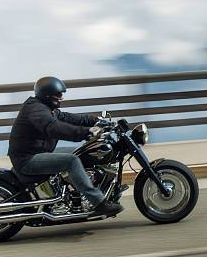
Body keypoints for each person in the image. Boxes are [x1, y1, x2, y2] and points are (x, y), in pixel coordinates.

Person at [7, 76, 123, 216]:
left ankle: (75, 191)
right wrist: (86, 132)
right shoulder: (36, 110)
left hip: (39, 152)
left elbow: (71, 118)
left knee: (80, 152)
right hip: (27, 159)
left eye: (61, 94)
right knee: (71, 161)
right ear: (47, 95)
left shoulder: (49, 108)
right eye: (58, 94)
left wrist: (97, 121)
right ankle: (98, 202)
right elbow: (53, 127)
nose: (61, 97)